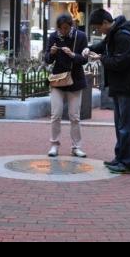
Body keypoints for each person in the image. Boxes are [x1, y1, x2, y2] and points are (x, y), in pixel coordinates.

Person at [83, 9, 130, 174]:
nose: (98, 31)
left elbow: (120, 62)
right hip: (119, 86)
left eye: (97, 28)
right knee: (120, 125)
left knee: (127, 126)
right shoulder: (114, 34)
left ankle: (129, 163)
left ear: (105, 23)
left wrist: (100, 58)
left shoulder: (123, 36)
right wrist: (89, 49)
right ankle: (120, 158)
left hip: (128, 87)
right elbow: (102, 46)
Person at [44, 14, 89, 158]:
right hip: (58, 80)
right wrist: (51, 53)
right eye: (60, 28)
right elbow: (47, 60)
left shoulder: (80, 36)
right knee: (55, 115)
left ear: (71, 26)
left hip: (75, 80)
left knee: (74, 116)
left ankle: (76, 147)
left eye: (65, 28)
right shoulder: (53, 37)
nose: (62, 31)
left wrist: (73, 55)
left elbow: (84, 60)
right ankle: (54, 145)